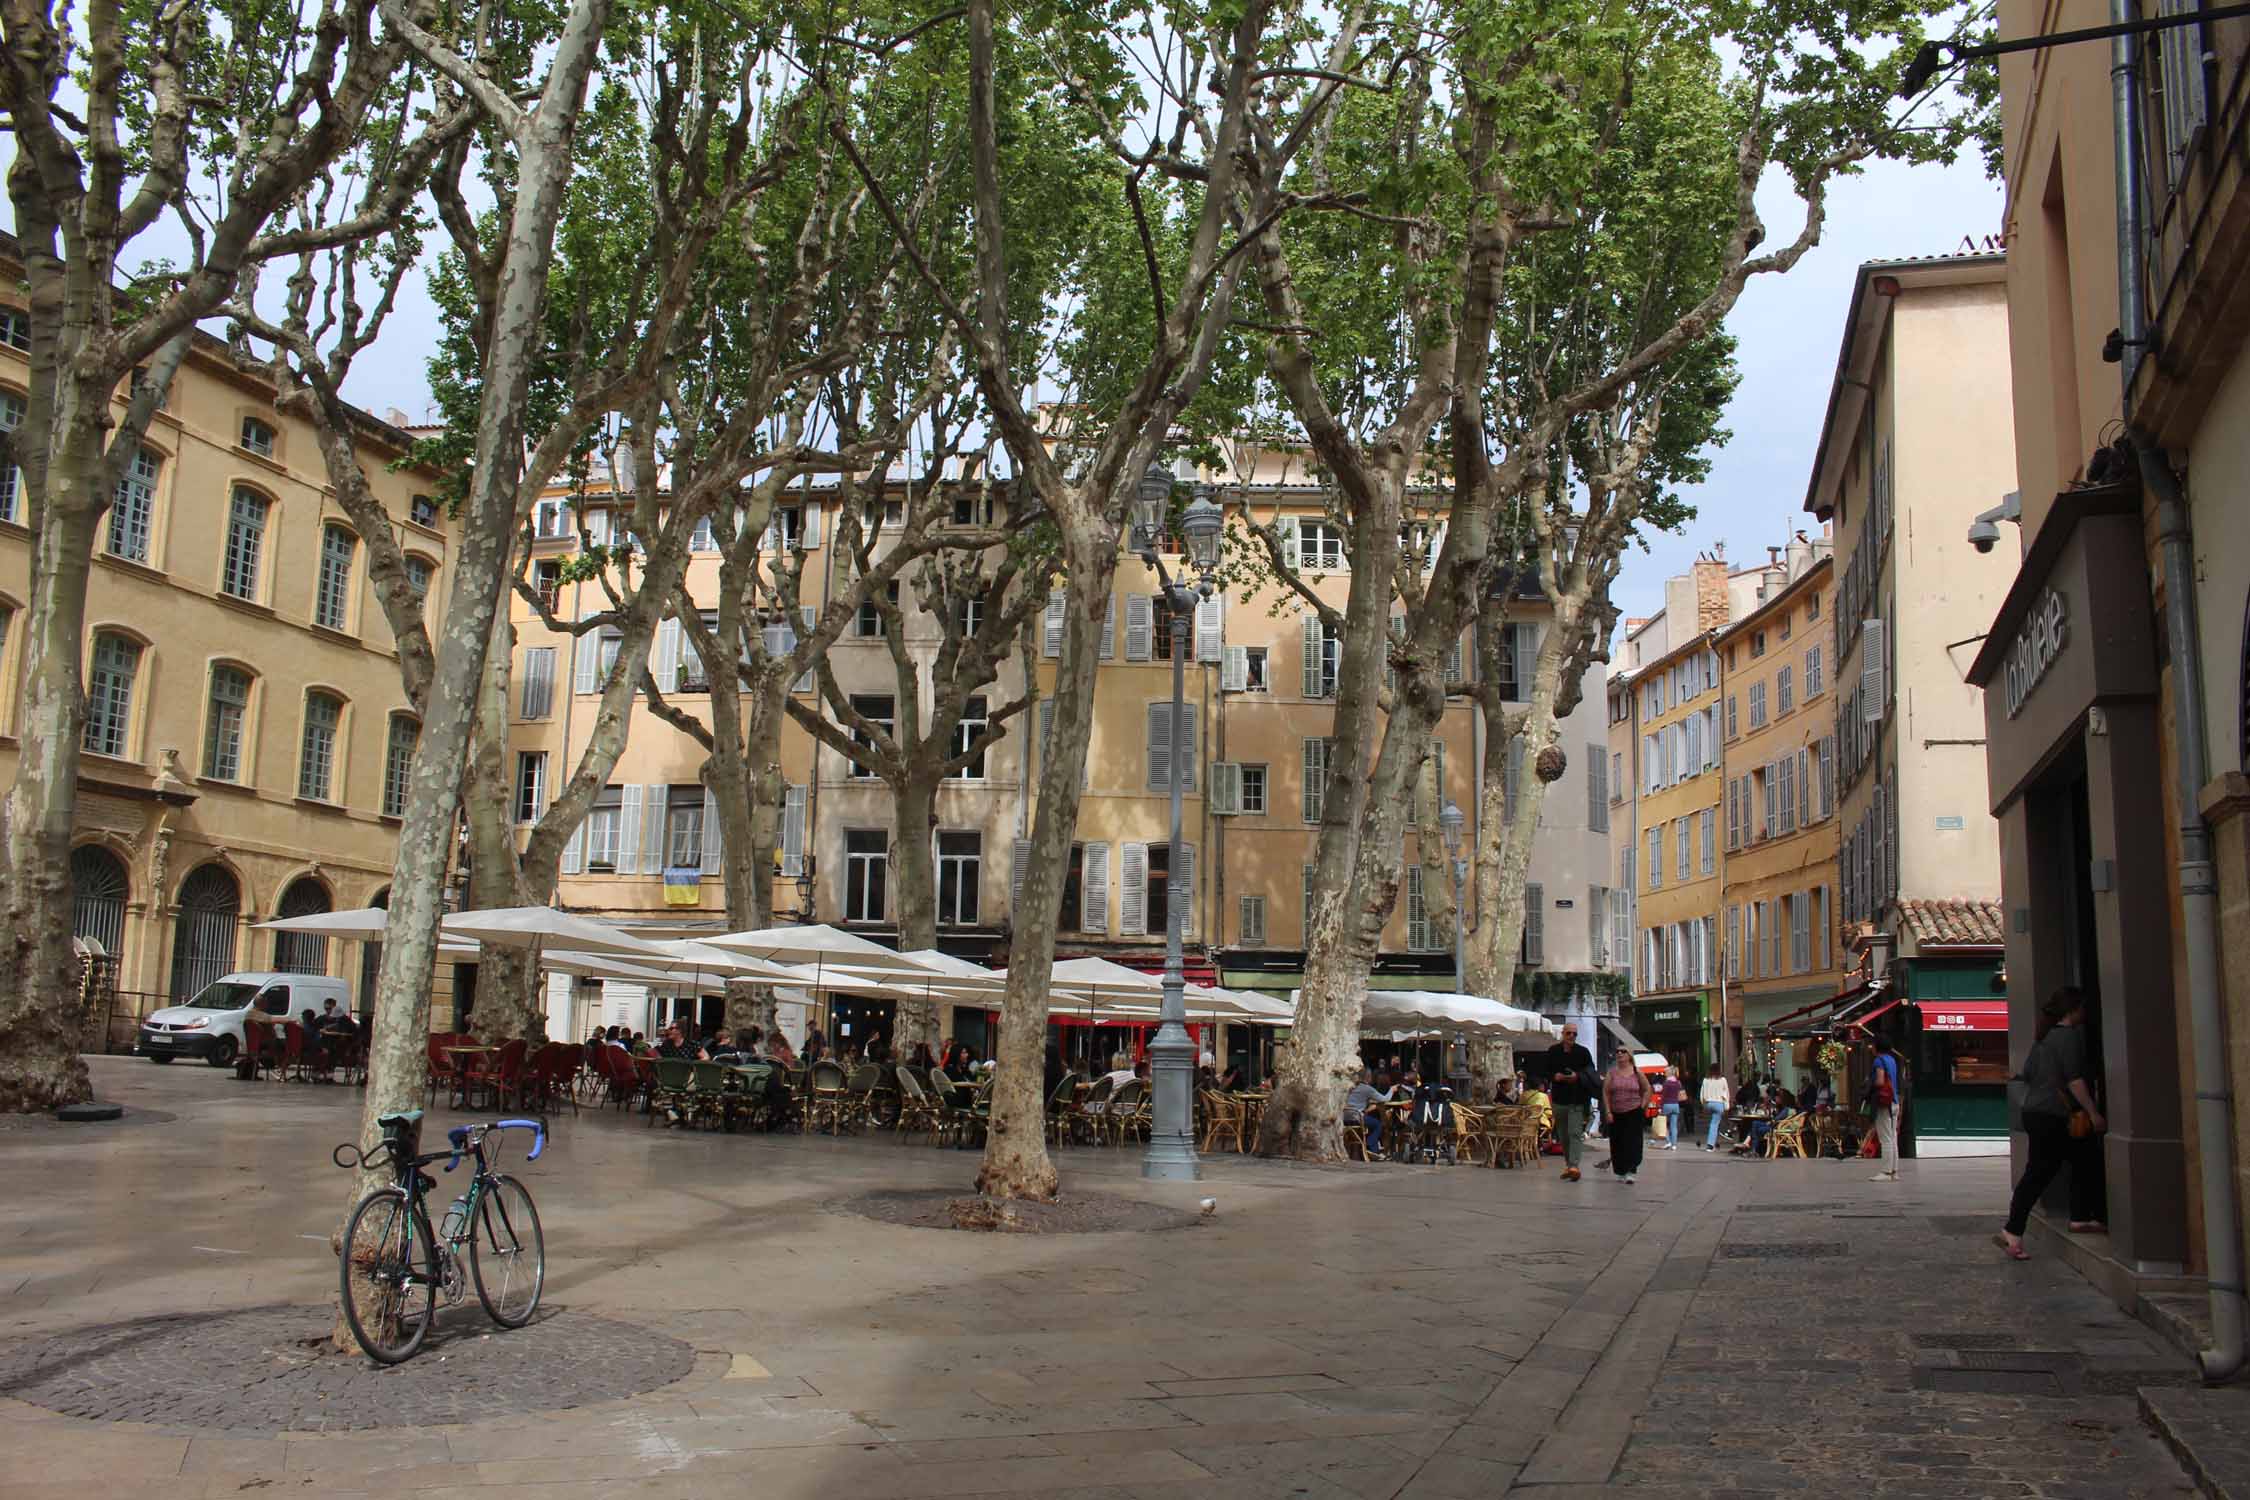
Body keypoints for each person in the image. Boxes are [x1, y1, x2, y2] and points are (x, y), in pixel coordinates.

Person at [1999, 989, 2105, 1259]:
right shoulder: (2069, 1038)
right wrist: (2093, 1113)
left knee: (2082, 1157)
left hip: (2035, 1111)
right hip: (2052, 1113)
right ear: (2074, 1010)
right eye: (2082, 1008)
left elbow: (2029, 1073)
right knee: (2040, 1172)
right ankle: (2013, 1230)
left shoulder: (2043, 1038)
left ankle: (2081, 1215)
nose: (2085, 1013)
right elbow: (2074, 1080)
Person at [1541, 1023, 1597, 1182]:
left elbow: (1590, 1072)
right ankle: (1569, 1164)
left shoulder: (1583, 1052)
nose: (1571, 1036)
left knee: (1574, 1133)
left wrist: (1577, 1077)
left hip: (1577, 1099)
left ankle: (1574, 1165)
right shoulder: (1553, 1051)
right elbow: (1545, 1071)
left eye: (1574, 1034)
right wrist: (1555, 1077)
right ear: (1563, 1034)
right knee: (1563, 1135)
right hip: (1559, 1099)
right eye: (1569, 1033)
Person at [1604, 1051, 1653, 1183]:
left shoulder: (1637, 1072)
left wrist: (1642, 1106)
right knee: (1617, 1142)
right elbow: (1606, 1092)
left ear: (1629, 1056)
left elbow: (1648, 1089)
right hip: (1616, 1112)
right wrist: (1608, 1111)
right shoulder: (1612, 1073)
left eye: (1623, 1051)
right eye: (1617, 1052)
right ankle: (1621, 1171)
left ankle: (1631, 1170)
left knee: (1633, 1142)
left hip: (1633, 1111)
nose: (1619, 1053)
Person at [1868, 1035, 1905, 1182]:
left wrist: (1869, 1086)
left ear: (1877, 1046)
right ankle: (1894, 1171)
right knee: (1893, 1137)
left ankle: (1885, 1172)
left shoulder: (1878, 1061)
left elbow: (1880, 1080)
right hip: (1894, 1102)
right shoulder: (1892, 1060)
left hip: (1884, 1103)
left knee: (1885, 1138)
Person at [1344, 1069, 1389, 1159]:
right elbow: (1385, 1099)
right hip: (1357, 1117)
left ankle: (1374, 1151)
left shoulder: (1352, 1086)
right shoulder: (1367, 1088)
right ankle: (1369, 1144)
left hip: (1345, 1116)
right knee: (1378, 1124)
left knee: (1371, 1122)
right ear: (1368, 1077)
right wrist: (1392, 1090)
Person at [1658, 1067, 1684, 1151]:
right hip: (1675, 1105)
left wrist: (1660, 1106)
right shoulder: (1678, 1083)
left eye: (1665, 1072)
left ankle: (1668, 1141)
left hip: (1667, 1105)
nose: (1664, 1074)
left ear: (1668, 1073)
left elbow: (1663, 1096)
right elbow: (1680, 1093)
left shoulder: (1666, 1083)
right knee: (1674, 1125)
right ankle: (1674, 1145)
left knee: (1663, 1124)